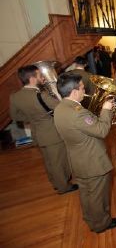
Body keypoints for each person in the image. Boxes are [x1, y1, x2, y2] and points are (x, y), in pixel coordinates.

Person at [54, 73, 116, 233]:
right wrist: (106, 110)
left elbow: (84, 127)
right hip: (93, 161)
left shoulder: (60, 108)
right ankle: (101, 224)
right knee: (99, 195)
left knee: (86, 193)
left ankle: (90, 218)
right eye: (83, 88)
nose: (85, 91)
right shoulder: (78, 112)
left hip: (77, 159)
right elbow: (102, 130)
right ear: (74, 91)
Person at [9, 65, 77, 195]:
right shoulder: (41, 95)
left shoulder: (15, 96)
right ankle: (64, 187)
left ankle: (56, 183)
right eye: (40, 75)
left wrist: (32, 117)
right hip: (52, 134)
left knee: (48, 161)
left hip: (37, 134)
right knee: (59, 162)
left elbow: (15, 116)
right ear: (33, 78)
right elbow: (62, 108)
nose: (42, 77)